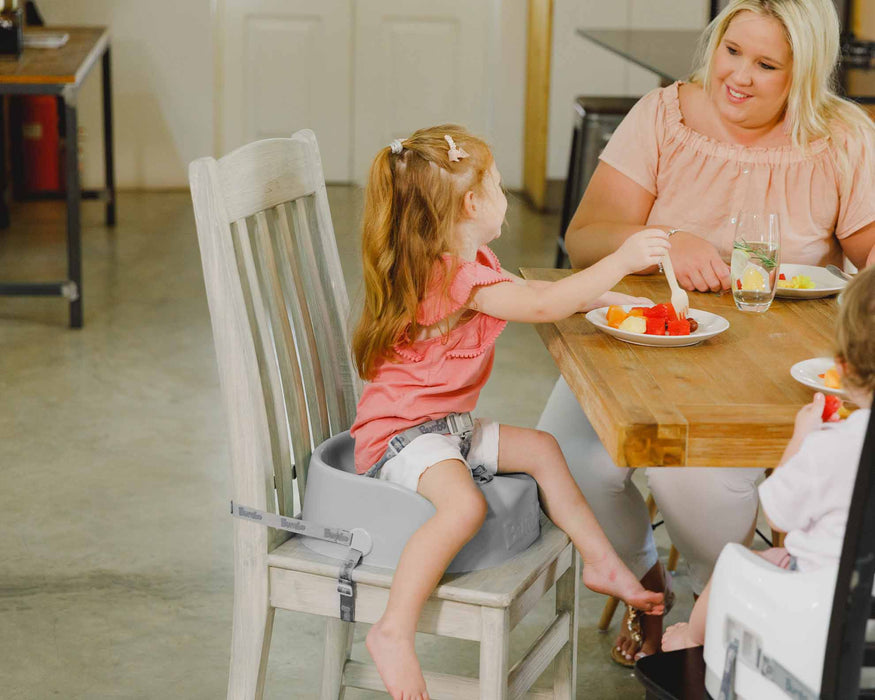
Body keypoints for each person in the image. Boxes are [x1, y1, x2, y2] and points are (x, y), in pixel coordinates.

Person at [538, 0, 875, 667]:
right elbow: (584, 238)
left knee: (694, 468)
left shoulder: (840, 136)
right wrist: (663, 239)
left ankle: (711, 601)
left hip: (777, 364)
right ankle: (649, 592)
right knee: (571, 459)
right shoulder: (663, 117)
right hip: (637, 344)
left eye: (765, 64)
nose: (738, 76)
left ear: (801, 74)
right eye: (730, 52)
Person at [350, 125, 668, 700]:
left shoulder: (468, 260)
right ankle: (393, 630)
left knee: (544, 449)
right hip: (403, 436)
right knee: (462, 506)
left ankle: (602, 563)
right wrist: (621, 260)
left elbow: (540, 294)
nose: (503, 192)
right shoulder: (451, 274)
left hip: (442, 430)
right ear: (473, 203)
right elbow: (543, 302)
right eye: (496, 183)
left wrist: (607, 299)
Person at [663, 264, 875, 652]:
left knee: (734, 561)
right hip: (866, 635)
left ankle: (691, 641)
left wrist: (801, 437)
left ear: (843, 370)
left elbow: (779, 515)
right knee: (778, 554)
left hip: (815, 616)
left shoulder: (834, 446)